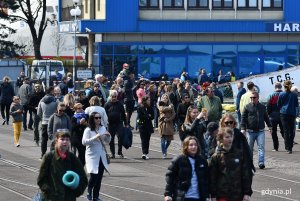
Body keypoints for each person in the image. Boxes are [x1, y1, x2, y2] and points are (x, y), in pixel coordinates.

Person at [37, 130, 88, 201]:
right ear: (56, 141)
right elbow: (41, 179)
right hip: (52, 198)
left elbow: (83, 178)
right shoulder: (49, 157)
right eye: (62, 139)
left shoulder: (73, 158)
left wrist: (76, 191)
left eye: (67, 140)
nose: (65, 142)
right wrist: (48, 191)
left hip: (69, 198)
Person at [210, 128, 252, 201]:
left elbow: (245, 174)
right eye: (227, 137)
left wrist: (247, 193)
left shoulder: (239, 154)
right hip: (222, 194)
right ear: (221, 139)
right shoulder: (216, 156)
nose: (230, 139)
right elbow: (212, 177)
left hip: (238, 194)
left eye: (231, 136)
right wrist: (213, 194)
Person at [164, 136, 210, 201]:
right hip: (183, 197)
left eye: (195, 145)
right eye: (191, 145)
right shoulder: (179, 160)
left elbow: (206, 180)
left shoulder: (202, 160)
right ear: (186, 147)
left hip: (199, 197)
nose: (194, 147)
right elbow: (170, 177)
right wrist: (168, 194)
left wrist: (207, 195)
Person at [82, 112, 111, 201]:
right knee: (94, 175)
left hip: (101, 155)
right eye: (96, 118)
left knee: (99, 177)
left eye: (99, 118)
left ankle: (96, 196)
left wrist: (108, 136)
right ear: (92, 119)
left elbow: (107, 141)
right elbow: (84, 142)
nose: (98, 119)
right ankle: (89, 192)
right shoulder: (88, 130)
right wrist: (95, 137)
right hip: (92, 155)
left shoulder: (103, 128)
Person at [220, 113, 256, 181]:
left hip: (238, 167)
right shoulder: (219, 135)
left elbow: (246, 152)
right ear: (223, 123)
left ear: (234, 123)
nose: (229, 124)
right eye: (226, 122)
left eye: (231, 122)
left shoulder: (239, 135)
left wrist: (250, 167)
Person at [241, 91, 272, 169]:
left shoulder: (262, 107)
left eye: (254, 98)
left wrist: (270, 127)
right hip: (250, 131)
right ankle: (250, 163)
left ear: (258, 98)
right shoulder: (247, 107)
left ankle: (261, 162)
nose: (252, 99)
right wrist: (242, 128)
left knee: (261, 147)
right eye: (251, 98)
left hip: (260, 131)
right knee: (249, 148)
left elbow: (266, 117)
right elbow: (243, 118)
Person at [104, 90, 127, 158]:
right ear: (110, 96)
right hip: (110, 124)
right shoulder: (107, 104)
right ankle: (112, 153)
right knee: (111, 139)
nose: (114, 98)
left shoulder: (120, 104)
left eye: (115, 96)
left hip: (119, 123)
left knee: (120, 137)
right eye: (112, 96)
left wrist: (126, 123)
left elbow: (123, 113)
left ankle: (119, 152)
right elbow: (104, 114)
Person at [278, 80, 299, 154]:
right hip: (292, 114)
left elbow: (279, 104)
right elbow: (297, 106)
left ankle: (287, 147)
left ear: (284, 86)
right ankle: (290, 147)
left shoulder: (281, 94)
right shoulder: (294, 95)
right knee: (291, 131)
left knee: (286, 131)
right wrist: (297, 114)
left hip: (283, 114)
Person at [37, 86, 59, 159]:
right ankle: (52, 154)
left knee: (44, 139)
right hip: (53, 122)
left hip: (44, 122)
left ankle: (43, 154)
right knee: (53, 139)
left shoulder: (41, 101)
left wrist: (42, 118)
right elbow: (59, 111)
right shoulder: (55, 101)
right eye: (54, 91)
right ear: (51, 92)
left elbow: (38, 113)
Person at [266, 82, 284, 151]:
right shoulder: (284, 94)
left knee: (273, 132)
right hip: (282, 115)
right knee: (283, 131)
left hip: (273, 116)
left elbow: (268, 105)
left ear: (275, 87)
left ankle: (275, 147)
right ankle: (288, 145)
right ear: (281, 87)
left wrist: (269, 114)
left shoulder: (271, 95)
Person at [158, 94, 176, 159]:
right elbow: (162, 109)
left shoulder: (171, 105)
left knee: (169, 140)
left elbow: (174, 114)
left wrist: (168, 119)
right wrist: (169, 107)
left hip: (169, 123)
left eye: (166, 98)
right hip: (162, 124)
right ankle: (164, 153)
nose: (165, 99)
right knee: (162, 139)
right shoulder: (160, 104)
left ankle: (165, 149)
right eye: (164, 98)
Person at [137, 96, 154, 160]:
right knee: (143, 140)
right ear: (145, 101)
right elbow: (140, 116)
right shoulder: (140, 107)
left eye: (149, 100)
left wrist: (148, 116)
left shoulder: (150, 108)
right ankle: (144, 153)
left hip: (148, 126)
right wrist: (147, 116)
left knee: (147, 140)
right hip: (142, 126)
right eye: (148, 100)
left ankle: (146, 153)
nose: (149, 101)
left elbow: (152, 116)